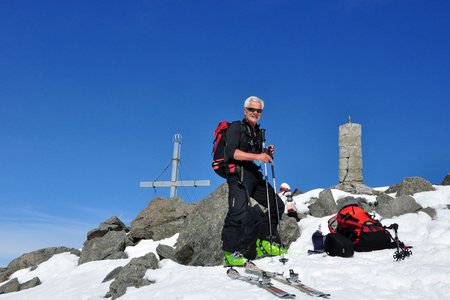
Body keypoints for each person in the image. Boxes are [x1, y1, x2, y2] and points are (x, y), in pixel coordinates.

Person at [221, 96, 285, 267]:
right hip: (239, 174)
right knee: (238, 212)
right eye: (252, 109)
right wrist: (258, 156)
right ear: (245, 110)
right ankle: (229, 254)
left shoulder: (257, 132)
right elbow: (232, 153)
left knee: (277, 205)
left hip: (253, 174)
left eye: (258, 110)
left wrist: (266, 152)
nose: (255, 113)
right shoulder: (236, 127)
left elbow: (255, 155)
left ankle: (265, 242)